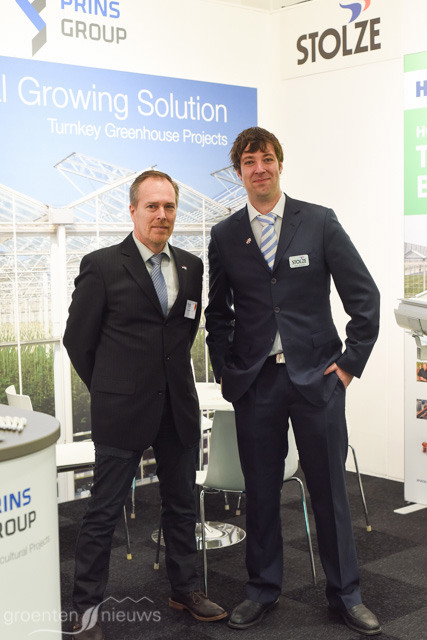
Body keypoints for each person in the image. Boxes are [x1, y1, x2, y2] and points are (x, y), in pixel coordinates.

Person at [205, 127, 381, 635]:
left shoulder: (319, 221)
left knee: (329, 491)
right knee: (260, 492)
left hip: (318, 381)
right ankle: (261, 590)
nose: (259, 168)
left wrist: (348, 365)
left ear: (280, 164)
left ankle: (345, 595)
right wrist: (226, 371)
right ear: (239, 173)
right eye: (249, 162)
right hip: (256, 383)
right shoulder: (225, 235)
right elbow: (218, 314)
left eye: (266, 158)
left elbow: (364, 296)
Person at [63, 169, 226, 640]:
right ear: (133, 210)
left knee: (181, 504)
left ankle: (185, 589)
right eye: (152, 206)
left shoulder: (191, 266)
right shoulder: (101, 265)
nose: (161, 214)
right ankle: (86, 609)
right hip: (122, 411)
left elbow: (183, 333)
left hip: (177, 407)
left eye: (169, 206)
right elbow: (78, 341)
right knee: (103, 511)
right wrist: (111, 388)